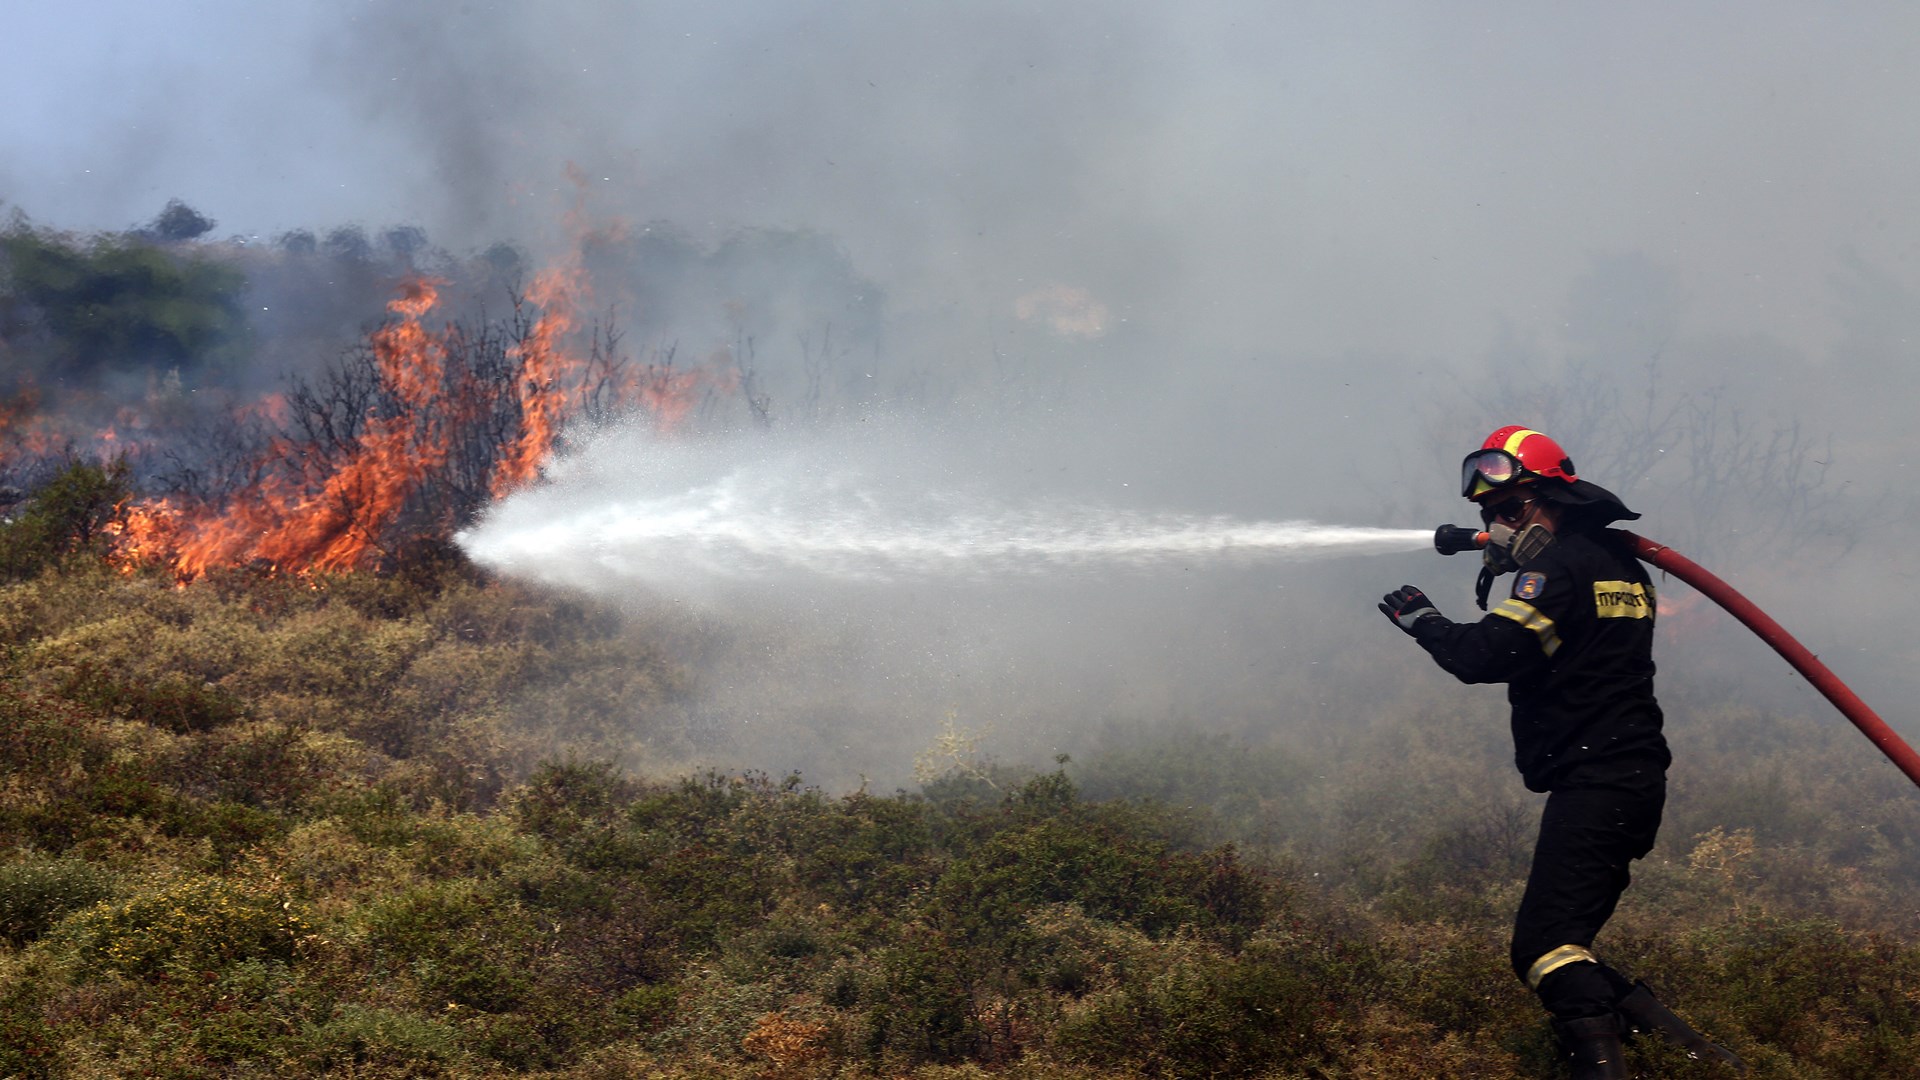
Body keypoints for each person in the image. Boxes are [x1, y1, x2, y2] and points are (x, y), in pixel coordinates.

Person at [1377, 425, 1745, 1078]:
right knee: (1565, 945)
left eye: (1513, 509)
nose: (1499, 524)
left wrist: (1422, 620)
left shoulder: (1559, 570)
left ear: (1555, 499)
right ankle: (1703, 1060)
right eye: (1490, 515)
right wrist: (1507, 564)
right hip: (1625, 777)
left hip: (1600, 780)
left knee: (1544, 946)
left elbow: (1483, 656)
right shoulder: (1616, 564)